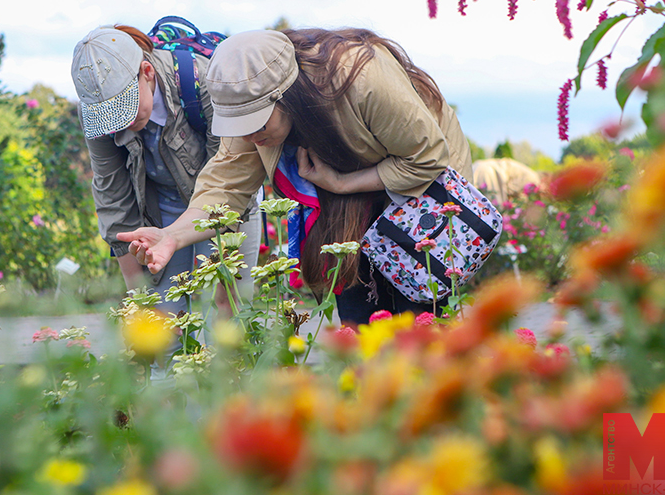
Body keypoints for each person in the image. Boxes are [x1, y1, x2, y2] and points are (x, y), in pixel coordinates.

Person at [117, 28, 473, 325]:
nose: (251, 136)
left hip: (422, 189)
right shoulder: (247, 115)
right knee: (360, 320)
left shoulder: (361, 77)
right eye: (239, 125)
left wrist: (341, 184)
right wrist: (171, 235)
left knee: (424, 318)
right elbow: (223, 188)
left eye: (257, 122)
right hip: (348, 207)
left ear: (285, 96)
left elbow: (426, 159)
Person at [71, 25, 259, 314]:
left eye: (126, 107)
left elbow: (230, 179)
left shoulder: (205, 83)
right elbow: (113, 199)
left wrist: (224, 295)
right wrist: (139, 300)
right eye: (109, 116)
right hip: (161, 207)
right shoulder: (96, 113)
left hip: (226, 205)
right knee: (162, 321)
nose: (118, 124)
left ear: (147, 72)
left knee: (225, 319)